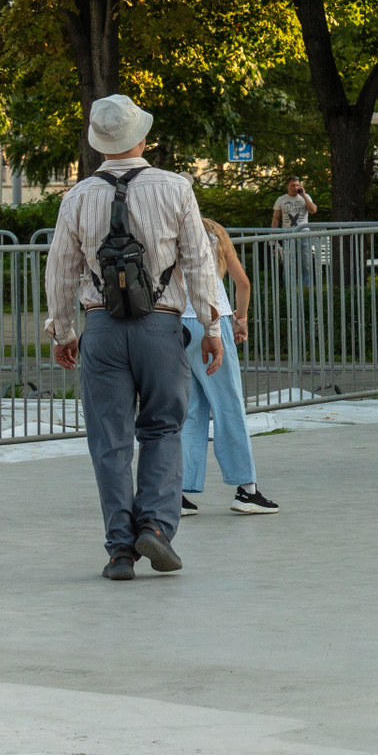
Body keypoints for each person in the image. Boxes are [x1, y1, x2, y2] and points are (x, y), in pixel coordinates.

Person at [44, 96, 224, 581]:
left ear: (99, 143)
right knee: (163, 428)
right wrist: (211, 328)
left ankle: (119, 550)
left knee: (109, 440)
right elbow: (199, 261)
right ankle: (157, 527)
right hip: (161, 327)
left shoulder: (78, 197)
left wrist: (63, 331)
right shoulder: (175, 187)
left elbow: (60, 270)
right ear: (141, 138)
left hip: (101, 327)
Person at [179, 219, 279, 516]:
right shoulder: (213, 233)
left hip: (176, 324)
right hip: (214, 320)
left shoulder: (167, 229)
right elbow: (242, 282)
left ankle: (178, 492)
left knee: (189, 411)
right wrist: (241, 319)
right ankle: (246, 489)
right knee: (228, 406)